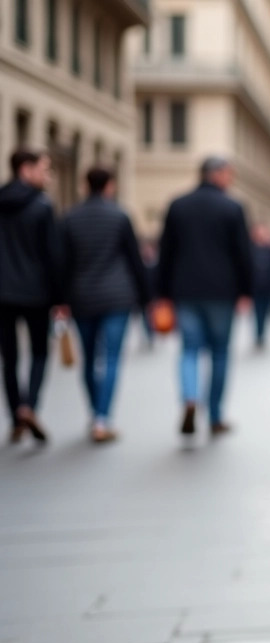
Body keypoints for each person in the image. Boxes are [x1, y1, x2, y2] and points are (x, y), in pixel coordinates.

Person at [159, 156, 252, 437]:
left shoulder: (178, 205)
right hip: (222, 292)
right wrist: (246, 291)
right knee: (220, 353)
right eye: (229, 174)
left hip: (185, 290)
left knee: (189, 349)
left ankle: (190, 398)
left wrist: (162, 293)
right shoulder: (233, 207)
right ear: (219, 175)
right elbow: (243, 254)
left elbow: (166, 252)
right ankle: (215, 414)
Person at [62, 167, 151, 442]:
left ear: (84, 185)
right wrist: (147, 296)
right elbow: (135, 259)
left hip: (82, 296)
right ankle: (103, 417)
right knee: (111, 357)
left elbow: (62, 263)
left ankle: (94, 412)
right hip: (116, 296)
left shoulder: (69, 218)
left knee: (90, 359)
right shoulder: (120, 216)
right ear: (110, 186)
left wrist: (61, 298)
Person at [0, 149, 62, 444]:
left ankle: (15, 414)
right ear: (26, 169)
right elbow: (53, 255)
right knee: (39, 352)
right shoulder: (42, 205)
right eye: (44, 169)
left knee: (9, 357)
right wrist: (61, 297)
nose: (47, 176)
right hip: (36, 292)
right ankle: (29, 406)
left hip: (3, 294)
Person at [249, 223, 270, 350]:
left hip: (268, 287)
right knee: (257, 312)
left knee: (266, 312)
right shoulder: (250, 248)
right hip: (255, 287)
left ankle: (262, 333)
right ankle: (258, 334)